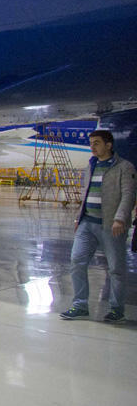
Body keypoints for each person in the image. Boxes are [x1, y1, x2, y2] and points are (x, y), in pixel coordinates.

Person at [60, 129, 135, 322]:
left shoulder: (124, 167)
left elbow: (128, 195)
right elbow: (86, 193)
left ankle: (117, 309)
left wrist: (120, 218)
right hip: (87, 223)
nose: (92, 147)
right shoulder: (91, 166)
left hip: (111, 225)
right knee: (77, 261)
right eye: (91, 143)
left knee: (116, 269)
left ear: (108, 145)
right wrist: (79, 218)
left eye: (97, 143)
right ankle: (80, 305)